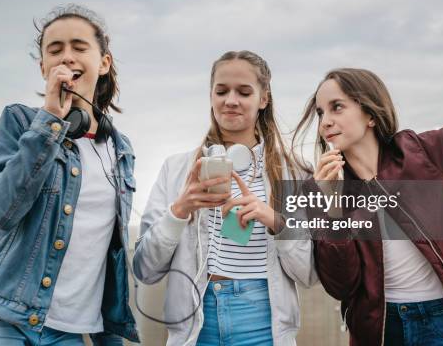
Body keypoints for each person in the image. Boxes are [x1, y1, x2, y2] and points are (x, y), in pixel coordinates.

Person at [0, 4, 139, 345]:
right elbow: (2, 211)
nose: (67, 57)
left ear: (104, 62)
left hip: (68, 331)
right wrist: (50, 118)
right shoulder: (21, 122)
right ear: (43, 67)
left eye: (79, 48)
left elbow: (108, 255)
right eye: (55, 50)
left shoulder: (120, 150)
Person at [293, 68, 443, 346]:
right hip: (378, 331)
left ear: (370, 114)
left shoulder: (422, 153)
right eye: (320, 113)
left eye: (337, 107)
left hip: (442, 322)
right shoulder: (323, 189)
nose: (325, 122)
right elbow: (341, 283)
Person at [133, 50, 318, 346]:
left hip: (263, 323)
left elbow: (308, 274)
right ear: (211, 96)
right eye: (221, 91)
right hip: (196, 322)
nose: (230, 100)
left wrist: (274, 220)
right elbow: (145, 270)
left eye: (244, 92)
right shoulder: (177, 169)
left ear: (264, 99)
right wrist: (180, 210)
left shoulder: (294, 173)